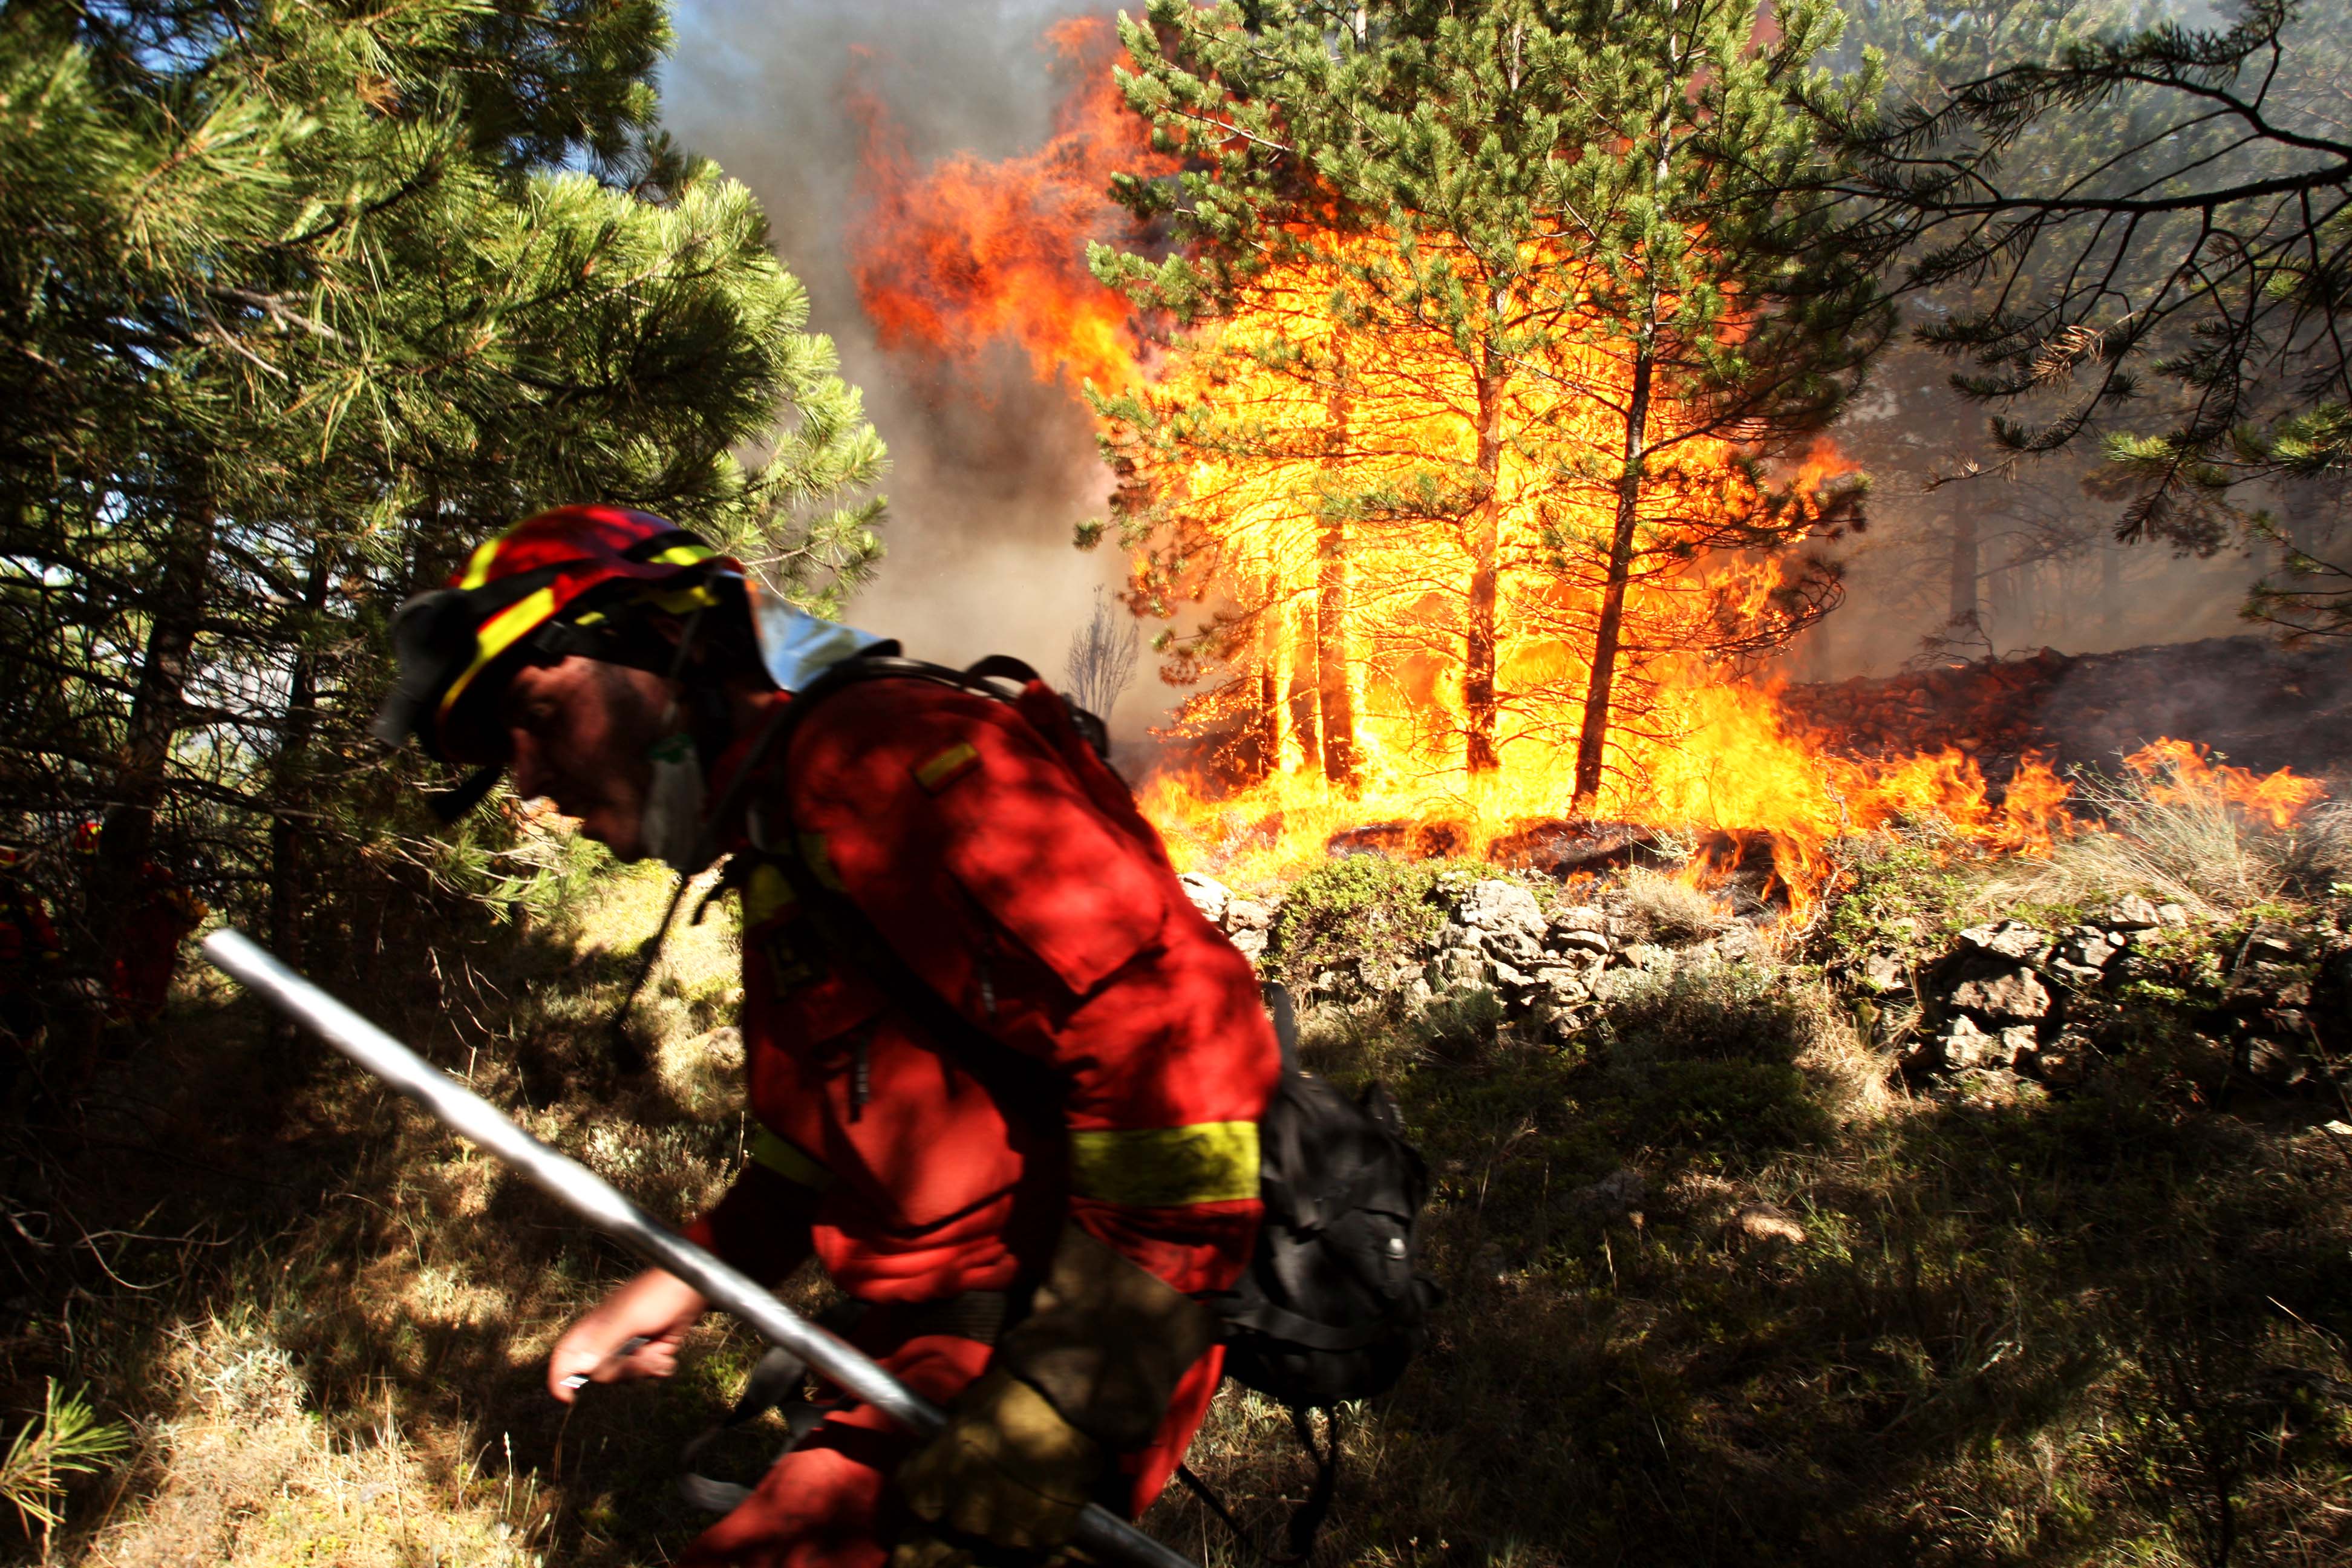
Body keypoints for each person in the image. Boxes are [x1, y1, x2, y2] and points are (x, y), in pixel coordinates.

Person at [374, 505, 1278, 1568]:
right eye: (495, 753)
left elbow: (1189, 1050)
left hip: (1062, 1330)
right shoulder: (780, 835)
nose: (524, 779)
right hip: (917, 1349)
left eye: (531, 715)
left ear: (667, 646)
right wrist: (688, 1279)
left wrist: (1062, 1403)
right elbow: (819, 1146)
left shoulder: (882, 760)